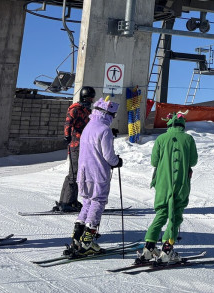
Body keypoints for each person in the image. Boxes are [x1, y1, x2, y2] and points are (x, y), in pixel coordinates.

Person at [136, 110, 198, 265]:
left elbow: (154, 162)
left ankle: (148, 247)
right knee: (175, 215)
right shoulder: (188, 139)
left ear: (169, 124)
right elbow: (193, 161)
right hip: (180, 184)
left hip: (162, 184)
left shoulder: (161, 139)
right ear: (182, 124)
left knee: (161, 213)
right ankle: (167, 249)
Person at [64, 97, 122, 256]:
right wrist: (117, 162)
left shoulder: (89, 126)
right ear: (107, 114)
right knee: (97, 202)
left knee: (87, 203)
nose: (113, 118)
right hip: (97, 173)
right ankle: (88, 241)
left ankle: (76, 238)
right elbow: (108, 156)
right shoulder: (104, 130)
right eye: (113, 115)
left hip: (84, 172)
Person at [55, 86, 96, 212]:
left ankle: (70, 200)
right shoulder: (76, 109)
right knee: (74, 173)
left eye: (92, 98)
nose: (91, 101)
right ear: (84, 97)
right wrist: (67, 135)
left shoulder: (87, 111)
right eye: (89, 98)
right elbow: (68, 122)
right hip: (75, 145)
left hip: (84, 146)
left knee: (78, 174)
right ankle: (66, 202)